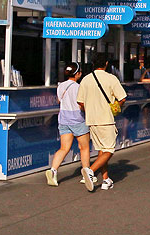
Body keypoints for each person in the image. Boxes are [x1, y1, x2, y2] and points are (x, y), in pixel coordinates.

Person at [77, 54, 128, 192]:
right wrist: (116, 106)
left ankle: (106, 180)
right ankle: (90, 171)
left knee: (101, 150)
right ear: (106, 63)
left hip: (92, 120)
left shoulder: (86, 79)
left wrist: (90, 109)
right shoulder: (111, 78)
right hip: (106, 119)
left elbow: (80, 102)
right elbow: (122, 97)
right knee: (109, 150)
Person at [46, 62, 91, 186]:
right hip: (78, 119)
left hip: (64, 118)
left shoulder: (60, 86)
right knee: (84, 147)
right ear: (77, 74)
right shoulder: (78, 87)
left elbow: (59, 100)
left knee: (64, 148)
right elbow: (81, 104)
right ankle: (86, 174)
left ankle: (53, 171)